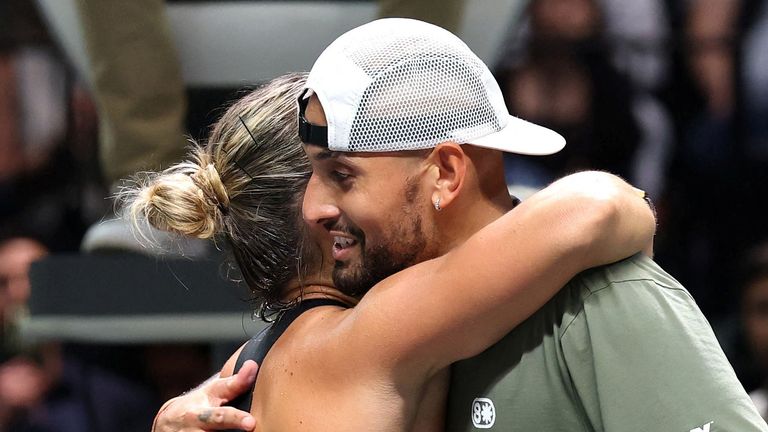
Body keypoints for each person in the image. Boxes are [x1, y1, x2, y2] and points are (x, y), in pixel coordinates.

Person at [158, 18, 766, 431]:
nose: (319, 204)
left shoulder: (603, 299)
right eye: (314, 174)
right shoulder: (385, 331)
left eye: (342, 174)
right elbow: (600, 205)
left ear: (446, 174)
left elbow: (595, 212)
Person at [133, 66, 656, 430]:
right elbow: (600, 207)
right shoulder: (377, 331)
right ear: (322, 207)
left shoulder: (244, 370)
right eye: (350, 170)